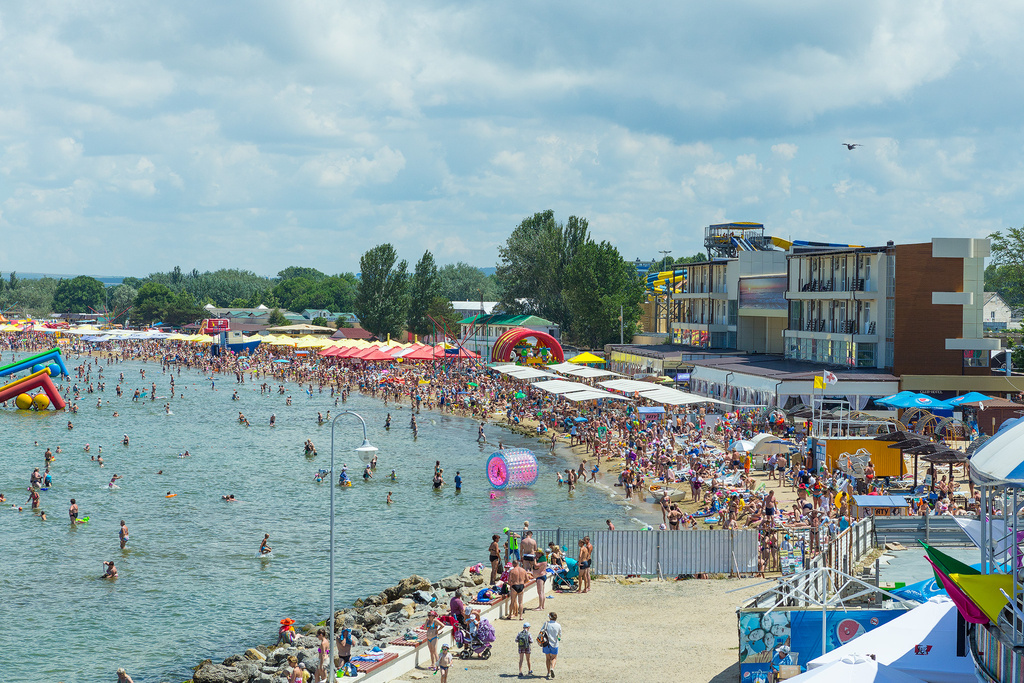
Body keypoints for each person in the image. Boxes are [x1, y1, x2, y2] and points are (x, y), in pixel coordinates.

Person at [540, 612, 561, 679]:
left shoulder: (546, 624)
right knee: (554, 658)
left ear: (550, 617)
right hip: (554, 644)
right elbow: (559, 635)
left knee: (548, 658)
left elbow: (541, 631)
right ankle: (552, 668)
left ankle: (548, 672)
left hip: (546, 643)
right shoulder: (558, 625)